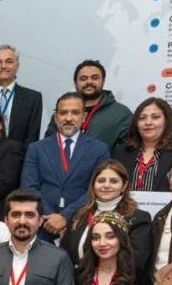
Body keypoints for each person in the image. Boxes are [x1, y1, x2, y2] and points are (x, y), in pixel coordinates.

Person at [21, 92, 110, 242]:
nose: (68, 118)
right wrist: (51, 218)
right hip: (42, 226)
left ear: (84, 117)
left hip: (81, 225)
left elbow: (97, 189)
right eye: (63, 113)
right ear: (56, 118)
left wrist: (65, 217)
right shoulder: (36, 148)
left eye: (75, 113)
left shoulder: (99, 149)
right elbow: (29, 187)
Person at [62, 160, 152, 274]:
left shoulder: (138, 218)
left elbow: (136, 260)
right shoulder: (79, 215)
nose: (106, 185)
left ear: (124, 186)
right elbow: (65, 253)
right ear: (93, 185)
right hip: (77, 284)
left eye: (114, 181)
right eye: (101, 181)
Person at [44, 60, 132, 151]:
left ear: (103, 81)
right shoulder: (63, 111)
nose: (89, 82)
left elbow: (128, 151)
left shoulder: (121, 113)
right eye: (83, 78)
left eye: (95, 78)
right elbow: (47, 145)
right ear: (75, 83)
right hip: (62, 164)